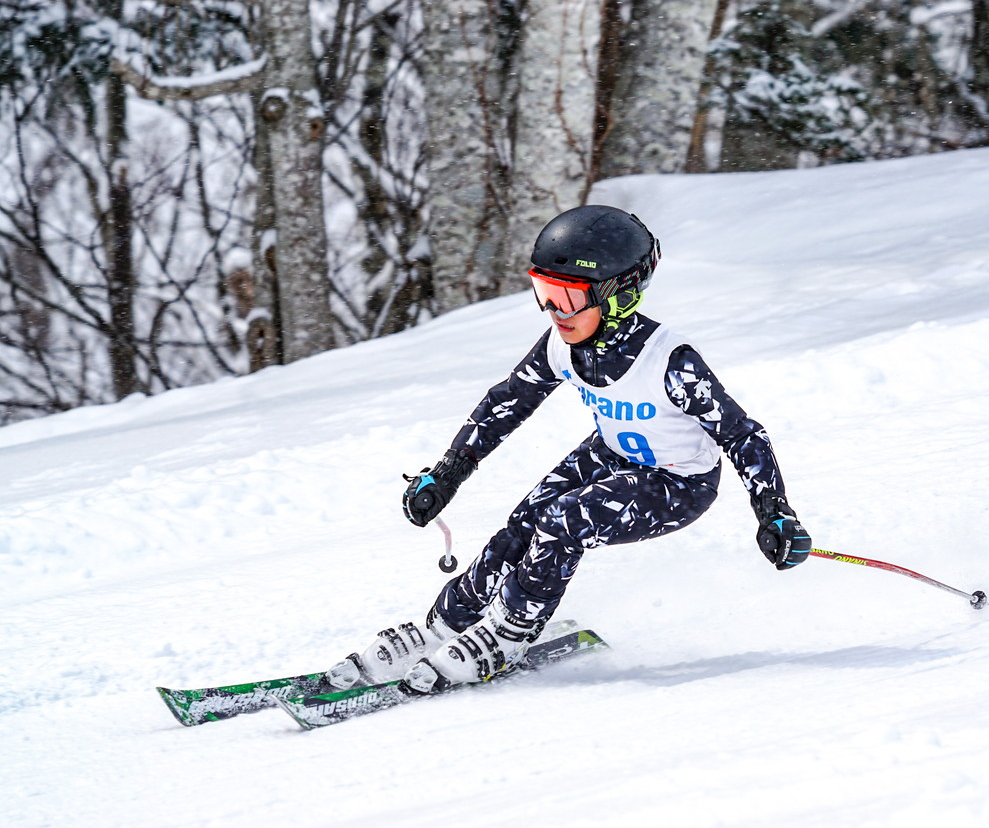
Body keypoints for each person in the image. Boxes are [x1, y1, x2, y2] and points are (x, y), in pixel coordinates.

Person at [326, 205, 811, 694]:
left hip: (678, 482)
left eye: (567, 297)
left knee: (564, 520)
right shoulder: (564, 344)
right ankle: (444, 627)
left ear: (618, 296)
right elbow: (508, 401)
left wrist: (774, 512)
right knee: (526, 519)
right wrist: (448, 473)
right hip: (612, 452)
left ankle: (510, 630)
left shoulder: (670, 362)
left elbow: (742, 434)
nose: (554, 312)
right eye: (544, 293)